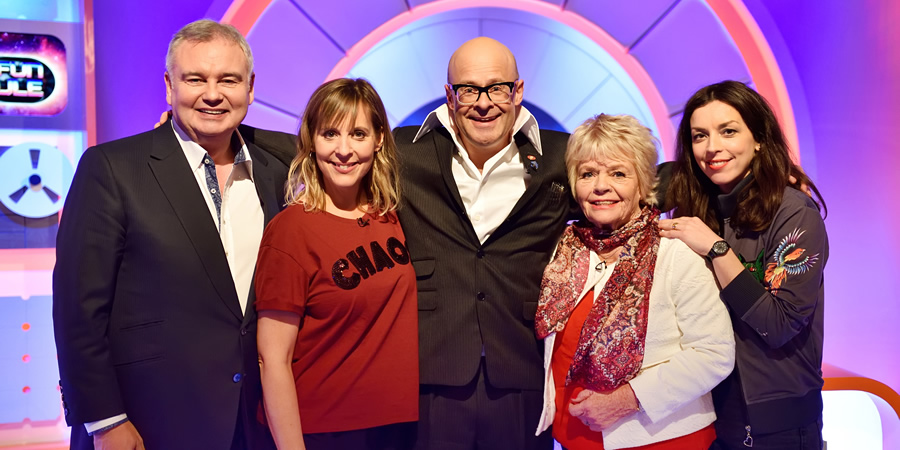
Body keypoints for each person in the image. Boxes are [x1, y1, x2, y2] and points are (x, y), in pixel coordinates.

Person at [52, 19, 285, 450]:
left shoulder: (280, 166)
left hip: (254, 423)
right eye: (195, 79)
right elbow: (78, 311)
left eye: (228, 80)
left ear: (250, 88)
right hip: (146, 424)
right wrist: (104, 422)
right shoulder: (112, 169)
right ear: (168, 86)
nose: (212, 94)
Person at [392, 37, 573, 449]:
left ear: (518, 91)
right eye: (469, 89)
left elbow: (635, 180)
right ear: (450, 96)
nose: (483, 102)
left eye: (496, 87)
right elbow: (324, 151)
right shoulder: (404, 151)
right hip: (431, 369)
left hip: (520, 365)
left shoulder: (562, 155)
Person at [533, 114, 735, 449]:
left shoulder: (675, 253)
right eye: (587, 174)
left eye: (618, 173)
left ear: (643, 184)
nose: (600, 186)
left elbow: (714, 353)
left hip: (661, 439)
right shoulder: (564, 249)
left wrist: (628, 398)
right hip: (573, 440)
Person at [660, 80, 828, 449]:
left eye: (728, 131)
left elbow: (779, 324)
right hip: (708, 414)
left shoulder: (794, 212)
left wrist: (718, 250)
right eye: (699, 136)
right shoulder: (697, 205)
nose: (712, 147)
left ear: (759, 139)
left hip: (777, 423)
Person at [254, 78, 418, 450]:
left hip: (395, 429)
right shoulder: (291, 230)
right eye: (330, 134)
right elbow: (272, 358)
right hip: (321, 433)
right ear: (312, 141)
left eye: (358, 134)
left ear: (378, 139)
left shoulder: (390, 215)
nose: (344, 150)